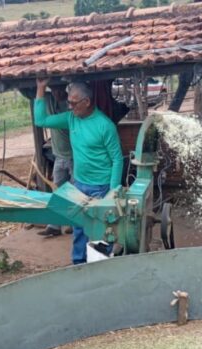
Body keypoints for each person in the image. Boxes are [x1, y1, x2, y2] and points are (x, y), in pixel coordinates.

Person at [33, 78, 123, 264]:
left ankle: (101, 266)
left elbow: (117, 159)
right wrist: (41, 88)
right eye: (69, 102)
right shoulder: (71, 119)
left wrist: (113, 192)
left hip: (102, 186)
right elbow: (40, 120)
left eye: (74, 103)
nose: (70, 106)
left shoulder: (105, 126)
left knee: (101, 230)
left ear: (87, 102)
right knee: (79, 229)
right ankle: (78, 265)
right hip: (80, 184)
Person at [37, 84, 74, 237]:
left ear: (65, 88)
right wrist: (41, 85)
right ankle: (55, 226)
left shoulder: (71, 107)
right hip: (59, 157)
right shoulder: (50, 101)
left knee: (74, 192)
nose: (55, 93)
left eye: (58, 89)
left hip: (75, 157)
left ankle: (74, 222)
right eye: (53, 90)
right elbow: (30, 95)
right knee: (57, 191)